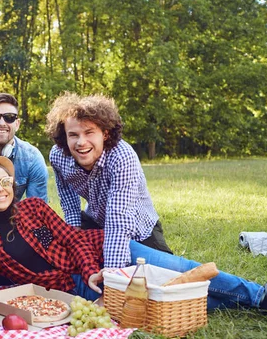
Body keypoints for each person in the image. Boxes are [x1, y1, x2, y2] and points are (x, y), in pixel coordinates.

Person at [0, 156, 267, 314]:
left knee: (178, 269)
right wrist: (33, 298)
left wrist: (91, 271)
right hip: (72, 288)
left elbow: (73, 238)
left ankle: (260, 296)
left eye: (5, 181)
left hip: (103, 251)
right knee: (157, 302)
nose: (1, 190)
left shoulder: (32, 207)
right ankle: (238, 303)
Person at [46, 92, 172, 269]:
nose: (81, 142)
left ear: (105, 134)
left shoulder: (122, 157)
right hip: (96, 221)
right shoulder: (58, 156)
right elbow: (69, 202)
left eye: (89, 132)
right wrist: (74, 240)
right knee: (67, 261)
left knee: (166, 273)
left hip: (138, 226)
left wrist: (112, 275)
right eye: (73, 135)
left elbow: (118, 220)